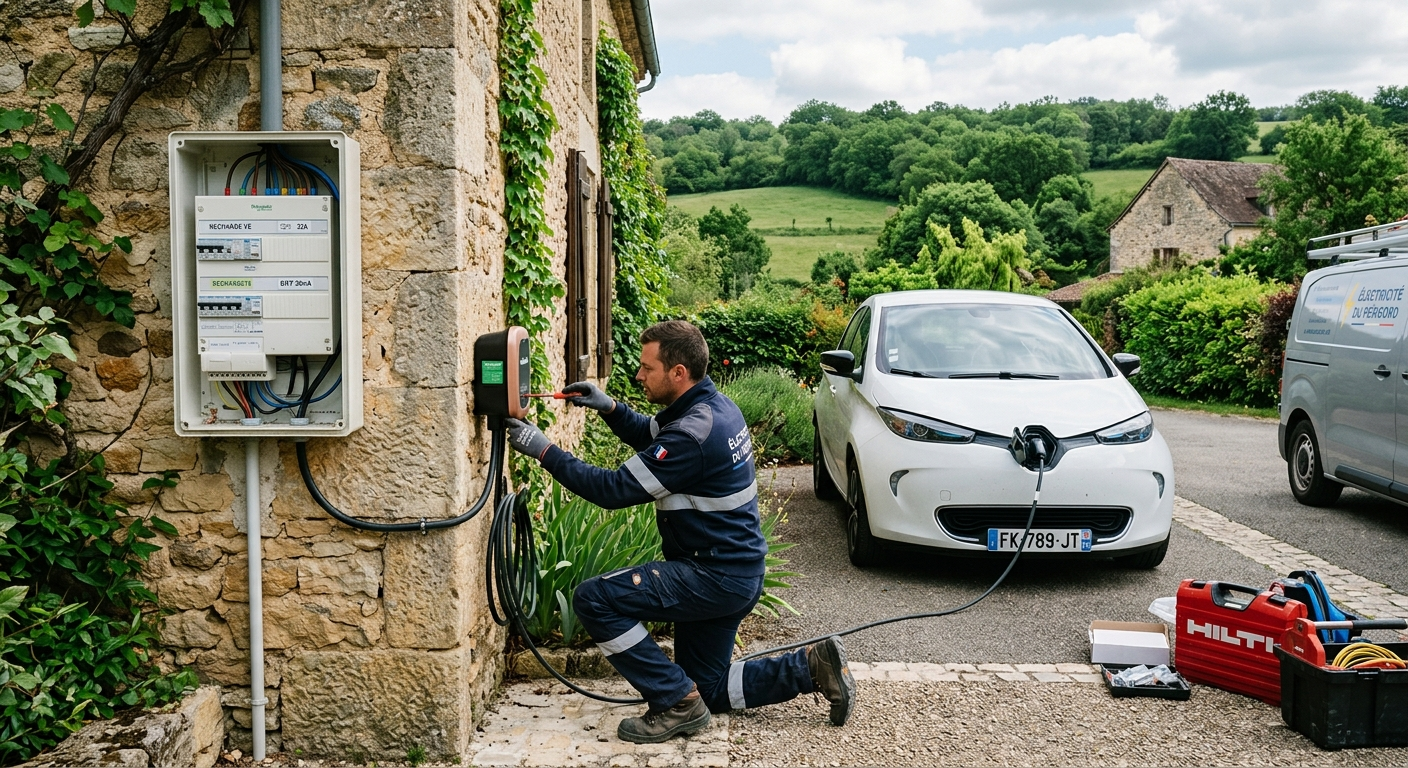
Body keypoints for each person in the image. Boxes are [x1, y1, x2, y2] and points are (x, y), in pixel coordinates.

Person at [504, 320, 856, 744]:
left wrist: (544, 449)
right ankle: (811, 666)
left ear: (678, 373)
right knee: (706, 688)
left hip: (712, 576)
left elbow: (611, 490)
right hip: (737, 573)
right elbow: (652, 435)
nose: (638, 375)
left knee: (594, 600)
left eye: (646, 367)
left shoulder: (692, 435)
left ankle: (675, 703)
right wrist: (609, 408)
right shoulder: (714, 409)